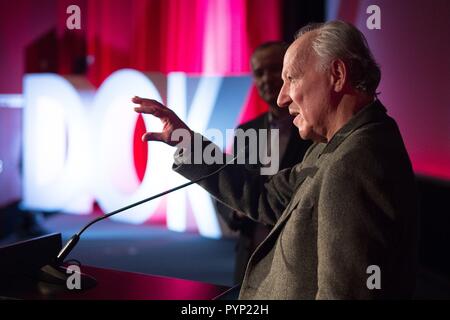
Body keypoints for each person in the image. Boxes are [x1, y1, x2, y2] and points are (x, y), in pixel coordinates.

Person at [132, 20, 418, 299]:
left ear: (338, 75)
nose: (281, 98)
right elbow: (267, 196)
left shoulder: (355, 163)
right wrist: (188, 143)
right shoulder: (335, 145)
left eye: (291, 79)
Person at [215, 41, 311, 284]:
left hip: (297, 261)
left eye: (273, 69)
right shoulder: (245, 131)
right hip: (250, 258)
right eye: (259, 72)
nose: (267, 78)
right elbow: (231, 185)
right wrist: (234, 212)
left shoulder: (314, 131)